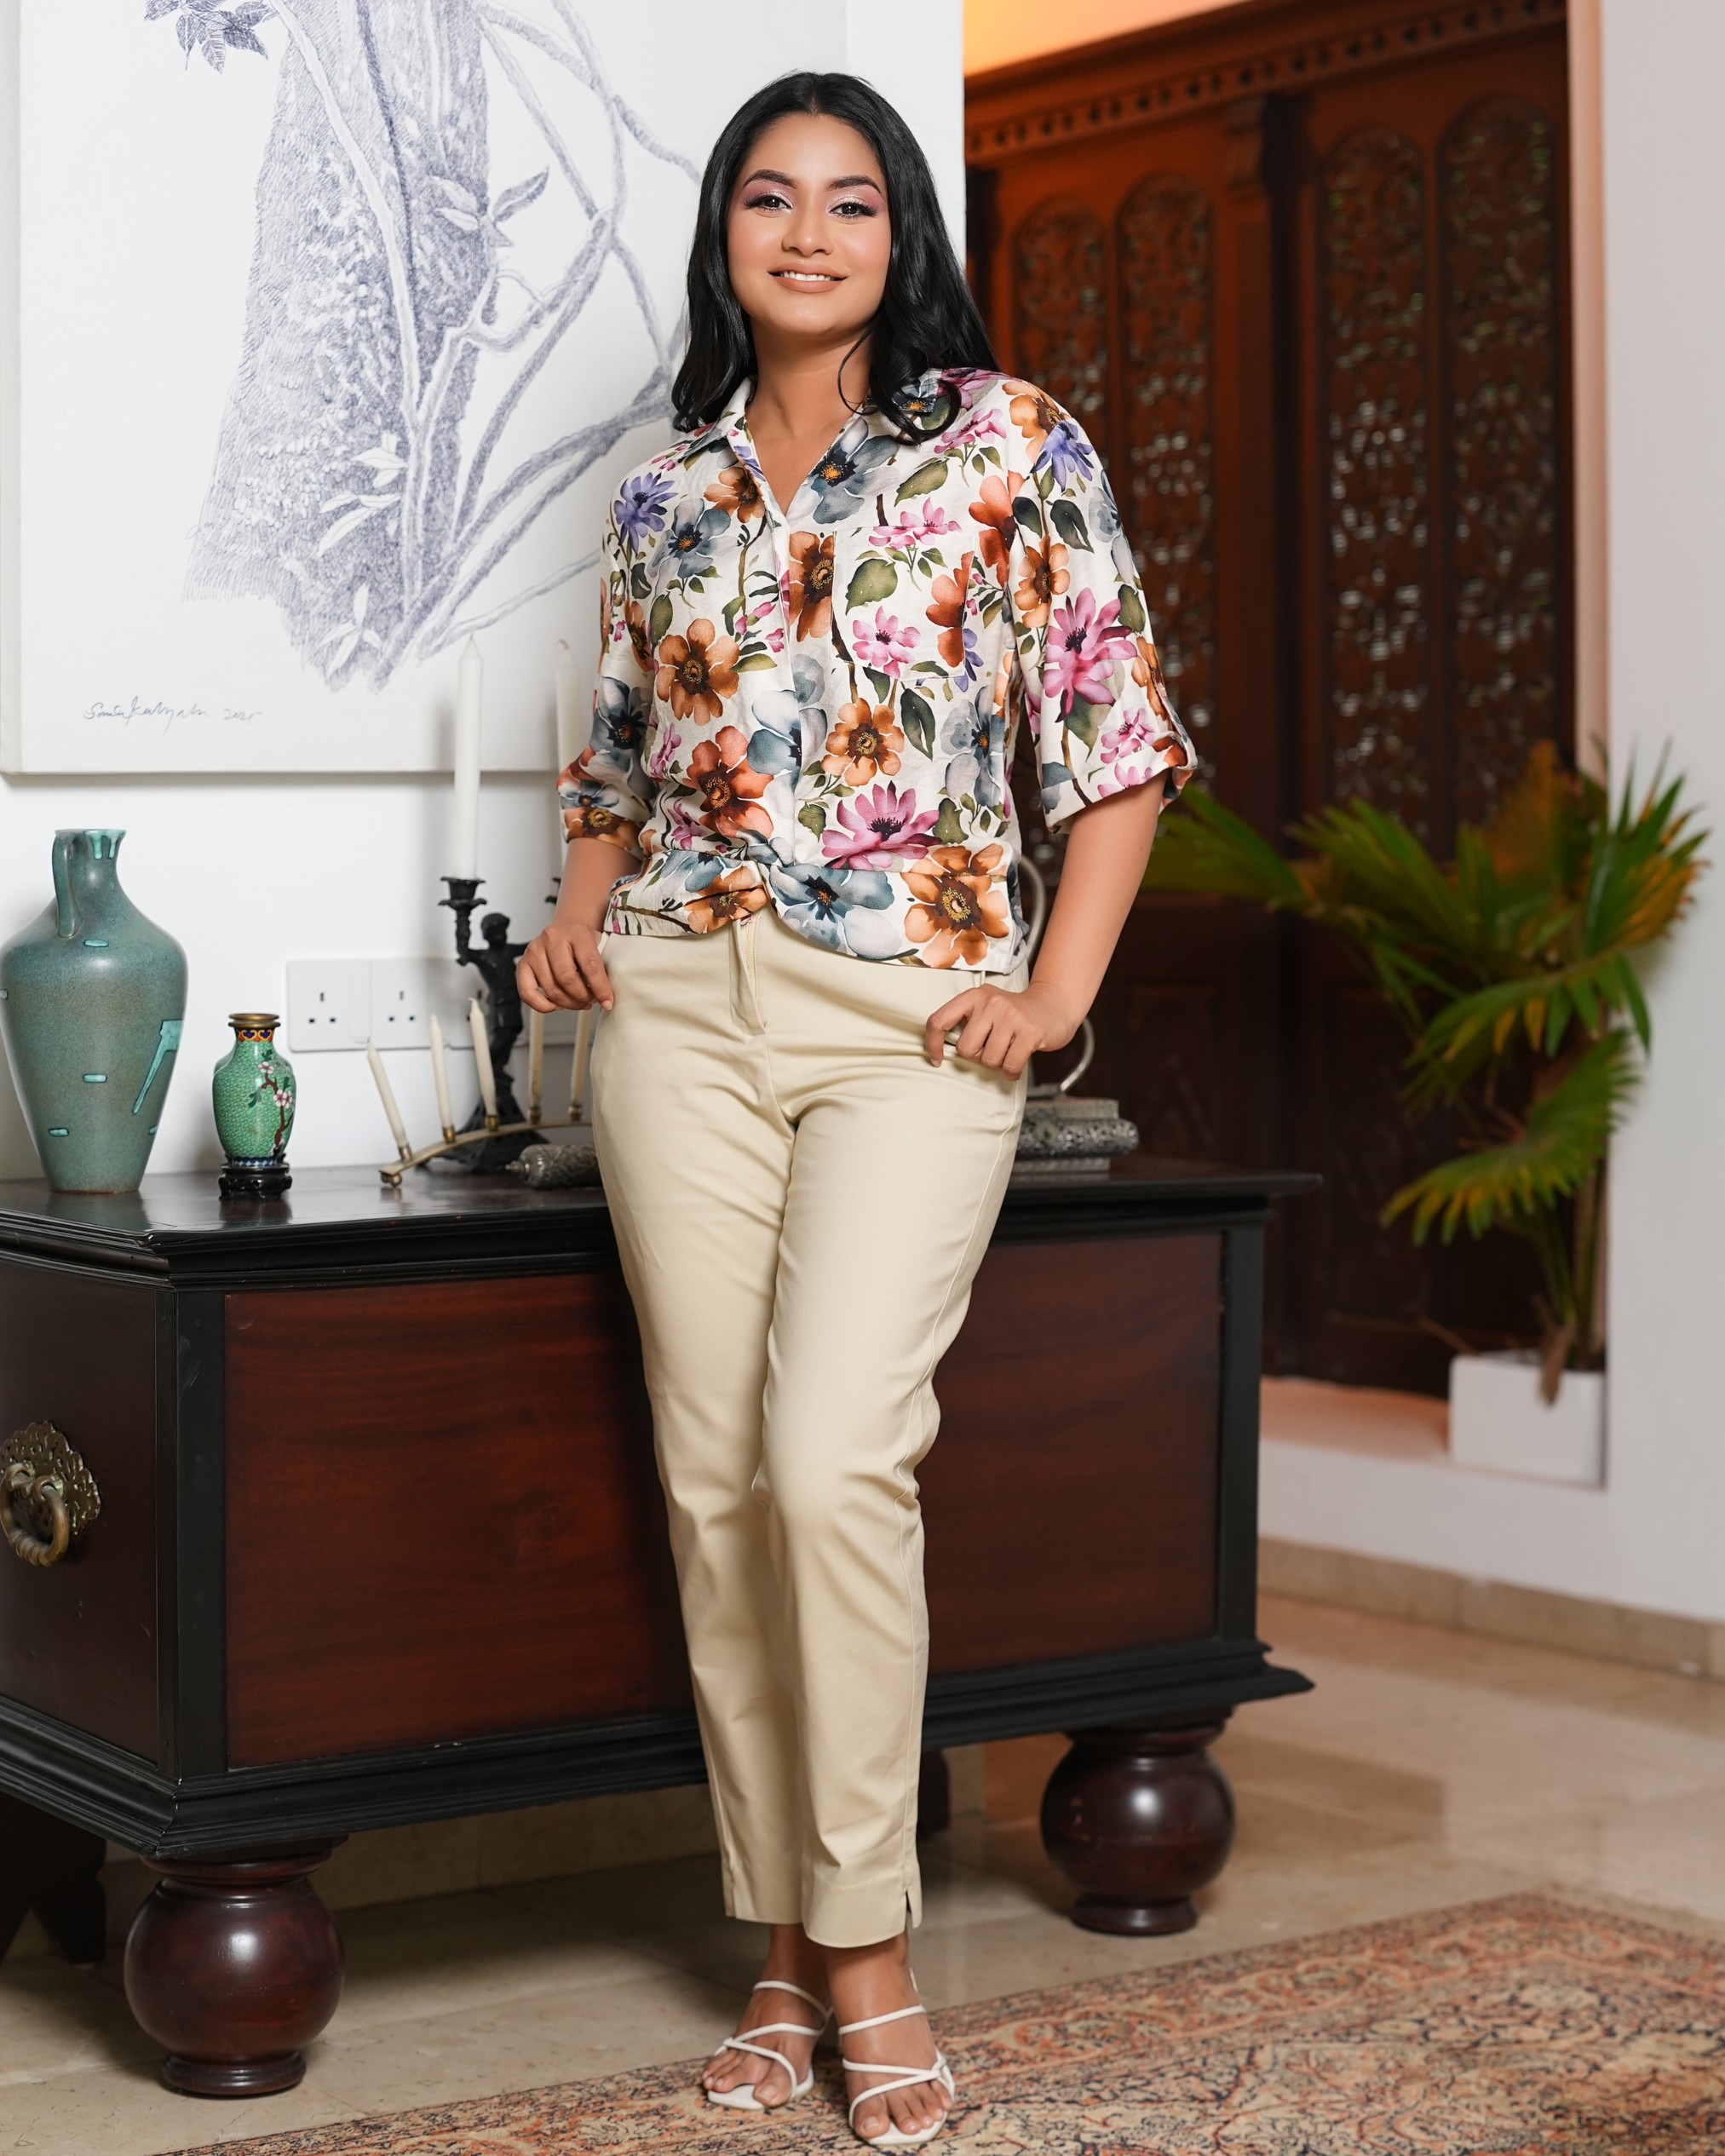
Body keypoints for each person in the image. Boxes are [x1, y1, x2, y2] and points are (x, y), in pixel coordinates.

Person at [518, 70, 1193, 2149]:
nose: (805, 235)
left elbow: (1114, 738)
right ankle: (782, 1949)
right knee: (718, 1488)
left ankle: (871, 1957)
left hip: (910, 1014)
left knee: (829, 1463)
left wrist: (1053, 993)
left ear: (901, 235)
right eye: (766, 199)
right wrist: (577, 923)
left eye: (848, 202)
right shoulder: (666, 493)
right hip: (678, 1018)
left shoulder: (1006, 442)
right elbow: (619, 756)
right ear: (723, 236)